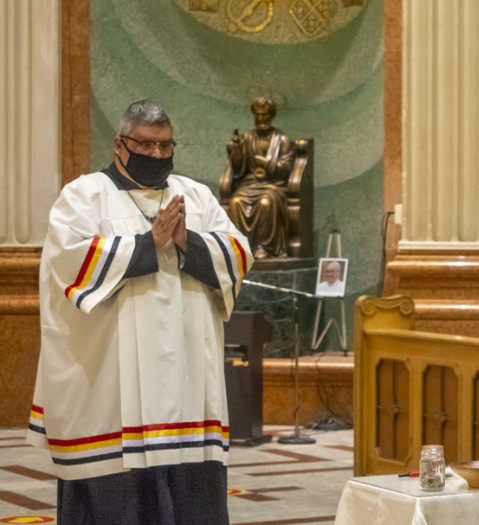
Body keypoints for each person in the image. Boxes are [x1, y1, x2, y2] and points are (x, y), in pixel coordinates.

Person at [27, 100, 253, 524]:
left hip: (187, 392)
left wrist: (190, 242)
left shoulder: (196, 196)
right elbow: (69, 262)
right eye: (146, 145)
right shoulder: (84, 195)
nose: (157, 155)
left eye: (166, 146)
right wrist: (149, 243)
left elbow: (238, 251)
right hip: (110, 392)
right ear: (120, 143)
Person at [226, 96, 295, 258]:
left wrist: (266, 163)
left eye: (265, 115)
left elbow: (286, 168)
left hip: (273, 185)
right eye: (258, 115)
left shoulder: (282, 139)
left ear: (272, 116)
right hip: (250, 184)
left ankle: (264, 248)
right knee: (236, 202)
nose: (261, 119)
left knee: (266, 202)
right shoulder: (247, 138)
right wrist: (235, 150)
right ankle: (240, 248)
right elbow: (238, 169)